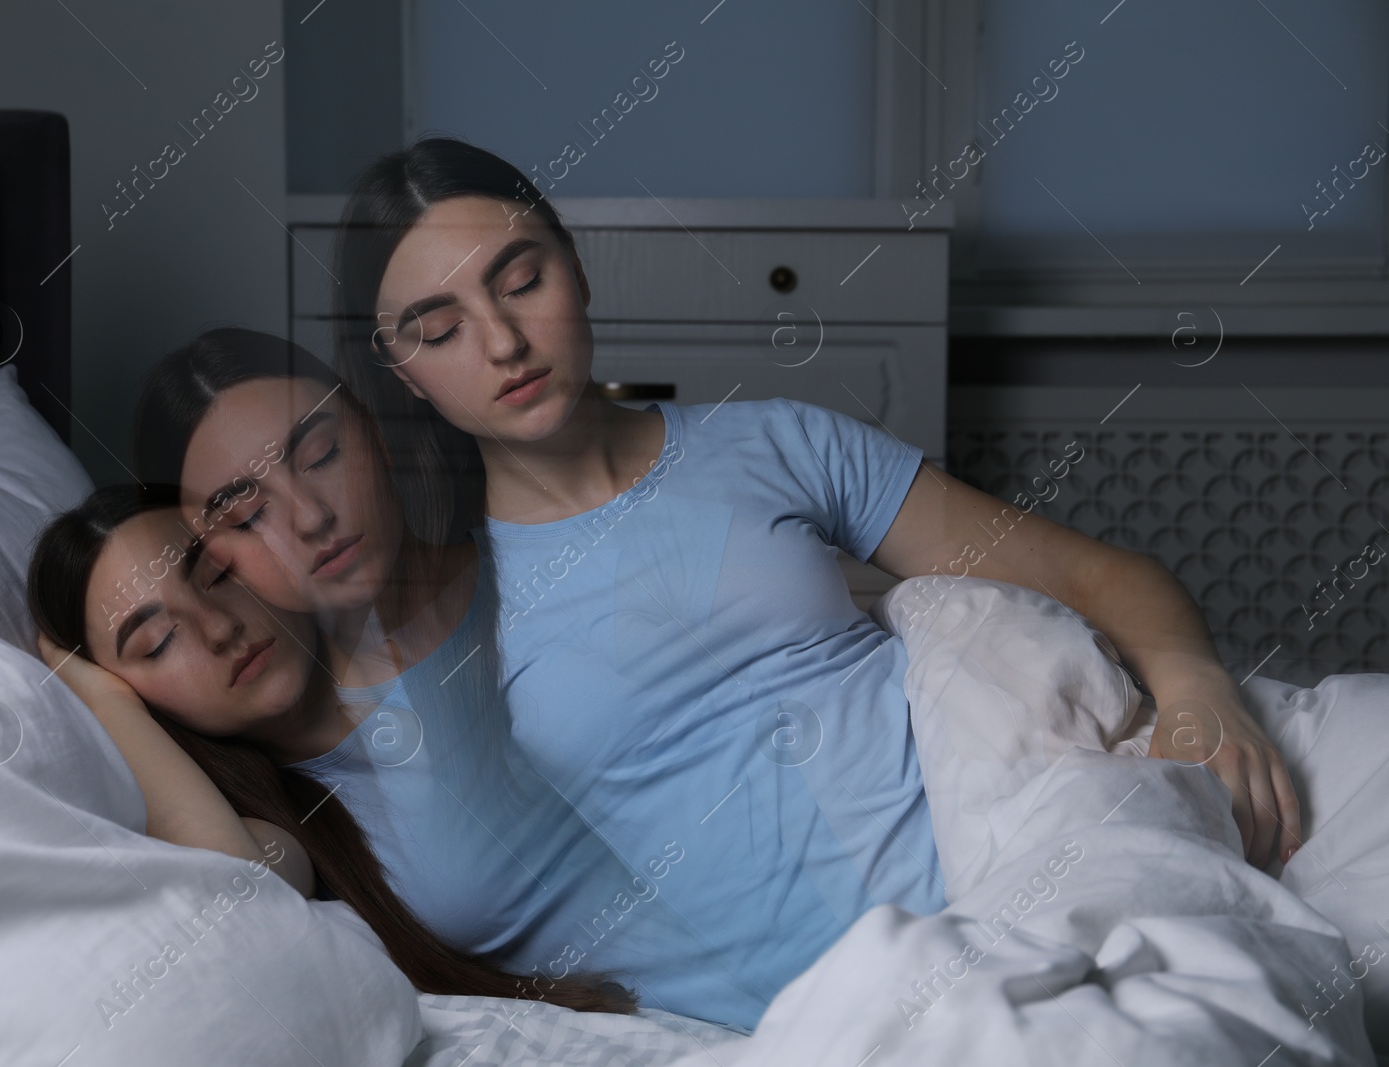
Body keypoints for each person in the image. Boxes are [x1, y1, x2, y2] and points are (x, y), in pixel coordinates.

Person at [322, 137, 1306, 1029]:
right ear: (403, 371)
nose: (502, 342)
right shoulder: (445, 619)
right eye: (437, 327)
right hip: (823, 1018)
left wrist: (1194, 682)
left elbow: (1091, 573)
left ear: (574, 266)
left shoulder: (779, 441)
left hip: (1017, 886)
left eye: (520, 278)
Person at [131, 333, 766, 1026]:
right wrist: (90, 688)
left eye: (323, 455)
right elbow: (244, 899)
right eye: (248, 516)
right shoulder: (294, 805)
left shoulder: (553, 560)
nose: (312, 518)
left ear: (372, 432)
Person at [26, 483, 637, 1014]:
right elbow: (238, 898)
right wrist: (103, 702)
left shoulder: (455, 624)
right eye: (158, 643)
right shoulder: (283, 828)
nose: (219, 629)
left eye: (217, 575)